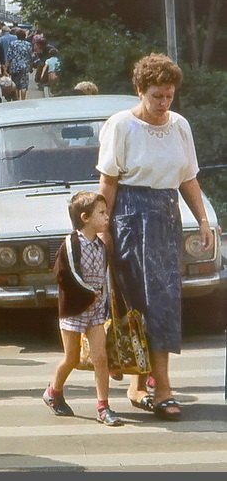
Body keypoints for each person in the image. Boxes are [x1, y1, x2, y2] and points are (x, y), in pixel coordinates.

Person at [97, 53, 213, 421]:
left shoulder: (179, 125)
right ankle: (148, 385)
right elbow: (108, 181)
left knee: (163, 302)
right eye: (157, 96)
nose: (164, 103)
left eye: (169, 96)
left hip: (166, 214)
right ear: (140, 91)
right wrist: (104, 230)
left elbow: (188, 178)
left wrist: (203, 220)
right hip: (130, 215)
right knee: (135, 303)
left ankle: (158, 387)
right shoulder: (121, 126)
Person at [44, 191, 124, 427]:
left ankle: (103, 406)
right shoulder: (71, 243)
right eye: (101, 213)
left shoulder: (101, 246)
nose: (107, 217)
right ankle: (53, 391)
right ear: (85, 217)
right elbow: (66, 274)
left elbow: (105, 277)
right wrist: (89, 292)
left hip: (96, 309)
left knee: (101, 358)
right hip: (73, 308)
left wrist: (107, 301)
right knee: (71, 358)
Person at [6, 28, 33, 101]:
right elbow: (31, 56)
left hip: (14, 66)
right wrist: (31, 66)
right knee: (24, 85)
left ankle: (17, 100)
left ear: (17, 36)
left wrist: (7, 67)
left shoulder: (13, 44)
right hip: (24, 66)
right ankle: (23, 100)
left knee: (16, 85)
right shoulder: (28, 44)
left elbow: (9, 56)